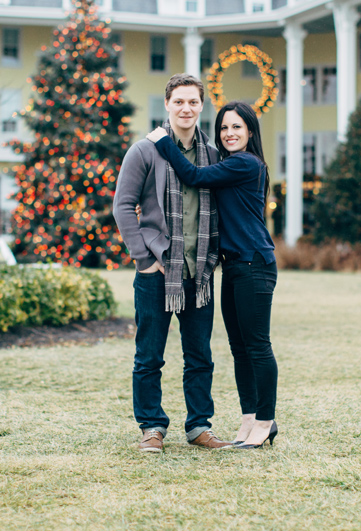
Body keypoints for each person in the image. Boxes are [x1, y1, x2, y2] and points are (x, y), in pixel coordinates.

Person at [146, 100, 279, 449]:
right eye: (223, 128)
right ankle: (249, 419)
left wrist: (163, 142)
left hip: (254, 264)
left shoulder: (246, 164)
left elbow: (194, 176)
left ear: (250, 131)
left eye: (237, 127)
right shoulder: (228, 163)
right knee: (239, 348)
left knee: (257, 346)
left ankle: (266, 420)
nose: (229, 133)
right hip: (233, 265)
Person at [112, 73, 232, 453]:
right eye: (179, 101)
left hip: (199, 274)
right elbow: (122, 207)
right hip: (157, 272)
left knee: (201, 357)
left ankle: (199, 426)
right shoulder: (144, 151)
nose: (186, 108)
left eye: (193, 102)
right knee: (149, 355)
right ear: (167, 104)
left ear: (202, 106)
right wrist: (144, 260)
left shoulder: (213, 155)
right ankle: (151, 426)